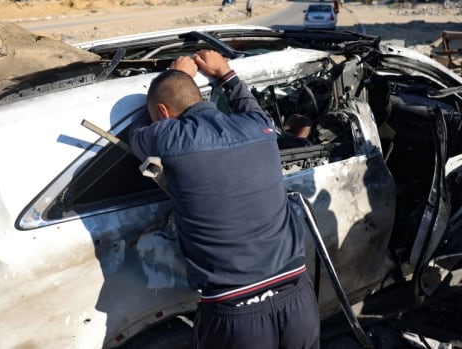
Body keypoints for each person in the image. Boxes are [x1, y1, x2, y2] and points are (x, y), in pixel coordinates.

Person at [128, 50, 320, 349]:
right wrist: (226, 74)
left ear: (163, 113)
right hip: (298, 297)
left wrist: (179, 78)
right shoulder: (260, 126)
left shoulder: (168, 139)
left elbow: (136, 133)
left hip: (236, 313)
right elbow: (247, 104)